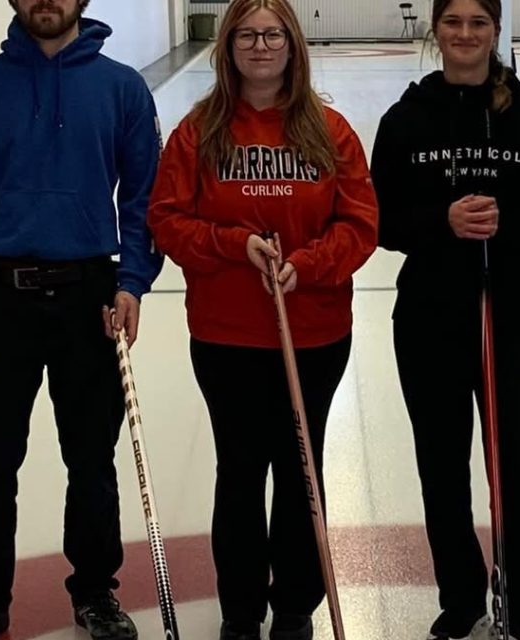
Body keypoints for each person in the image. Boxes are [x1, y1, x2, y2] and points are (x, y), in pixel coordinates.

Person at [0, 1, 164, 638]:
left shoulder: (121, 88)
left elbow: (145, 198)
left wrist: (134, 280)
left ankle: (95, 594)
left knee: (91, 459)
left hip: (89, 296)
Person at [146, 0, 378, 638]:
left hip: (314, 333)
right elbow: (166, 219)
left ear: (292, 45)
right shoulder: (198, 133)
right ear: (227, 47)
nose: (259, 45)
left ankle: (296, 606)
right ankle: (242, 612)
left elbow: (361, 224)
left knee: (301, 466)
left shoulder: (331, 132)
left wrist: (308, 263)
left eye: (272, 33)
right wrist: (231, 244)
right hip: (228, 336)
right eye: (246, 34)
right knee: (241, 470)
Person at [371, 0, 520, 637]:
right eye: (453, 22)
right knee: (441, 464)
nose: (465, 35)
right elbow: (379, 221)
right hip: (429, 323)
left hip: (512, 323)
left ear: (495, 32)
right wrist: (442, 221)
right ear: (435, 31)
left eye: (478, 24)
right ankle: (461, 597)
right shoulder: (406, 120)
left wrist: (506, 219)